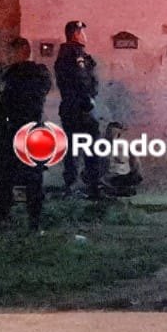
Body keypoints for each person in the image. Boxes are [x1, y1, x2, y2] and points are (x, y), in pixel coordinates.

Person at [0, 37, 52, 230]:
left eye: (10, 53)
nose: (7, 57)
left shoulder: (28, 73)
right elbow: (0, 103)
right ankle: (16, 217)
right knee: (9, 175)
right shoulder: (25, 74)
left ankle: (27, 218)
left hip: (22, 128)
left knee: (23, 176)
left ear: (21, 52)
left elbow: (5, 103)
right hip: (20, 129)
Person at [54, 20, 104, 199]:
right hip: (80, 108)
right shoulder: (74, 54)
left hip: (70, 108)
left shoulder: (65, 54)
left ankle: (72, 186)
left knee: (73, 148)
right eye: (82, 32)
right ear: (75, 34)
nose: (85, 36)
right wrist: (87, 100)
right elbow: (81, 78)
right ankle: (92, 187)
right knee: (91, 147)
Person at [101, 121, 142, 197]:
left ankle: (118, 189)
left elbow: (135, 163)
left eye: (115, 134)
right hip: (108, 178)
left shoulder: (125, 146)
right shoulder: (101, 146)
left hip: (120, 177)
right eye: (110, 133)